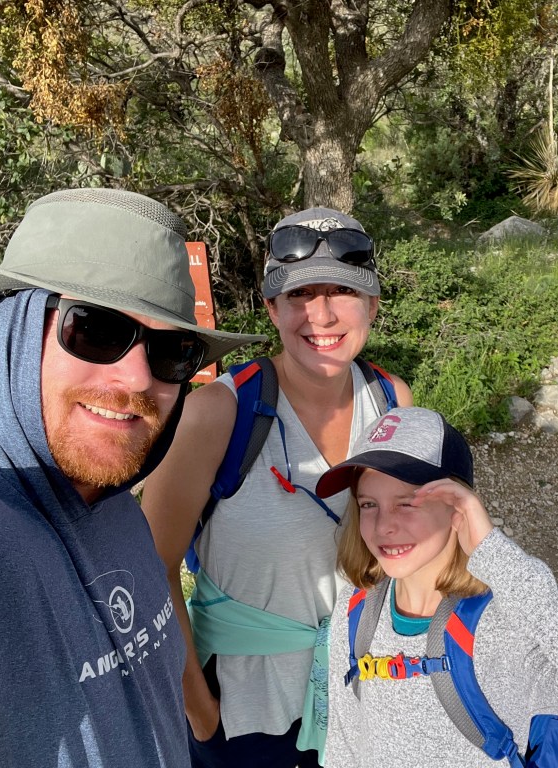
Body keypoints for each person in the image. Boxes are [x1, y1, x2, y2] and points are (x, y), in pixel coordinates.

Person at [0, 188, 264, 768]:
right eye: (96, 330)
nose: (137, 378)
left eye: (171, 351)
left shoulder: (112, 498)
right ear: (8, 329)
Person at [141, 207, 413, 767]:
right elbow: (148, 567)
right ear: (271, 307)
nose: (321, 315)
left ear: (372, 304)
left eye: (342, 291)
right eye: (299, 295)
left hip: (364, 691)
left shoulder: (392, 402)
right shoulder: (218, 415)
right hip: (244, 713)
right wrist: (201, 713)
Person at [317, 406, 558, 767]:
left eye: (407, 503)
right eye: (368, 504)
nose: (383, 526)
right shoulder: (357, 608)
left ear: (458, 505)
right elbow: (346, 739)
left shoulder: (502, 625)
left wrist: (495, 554)